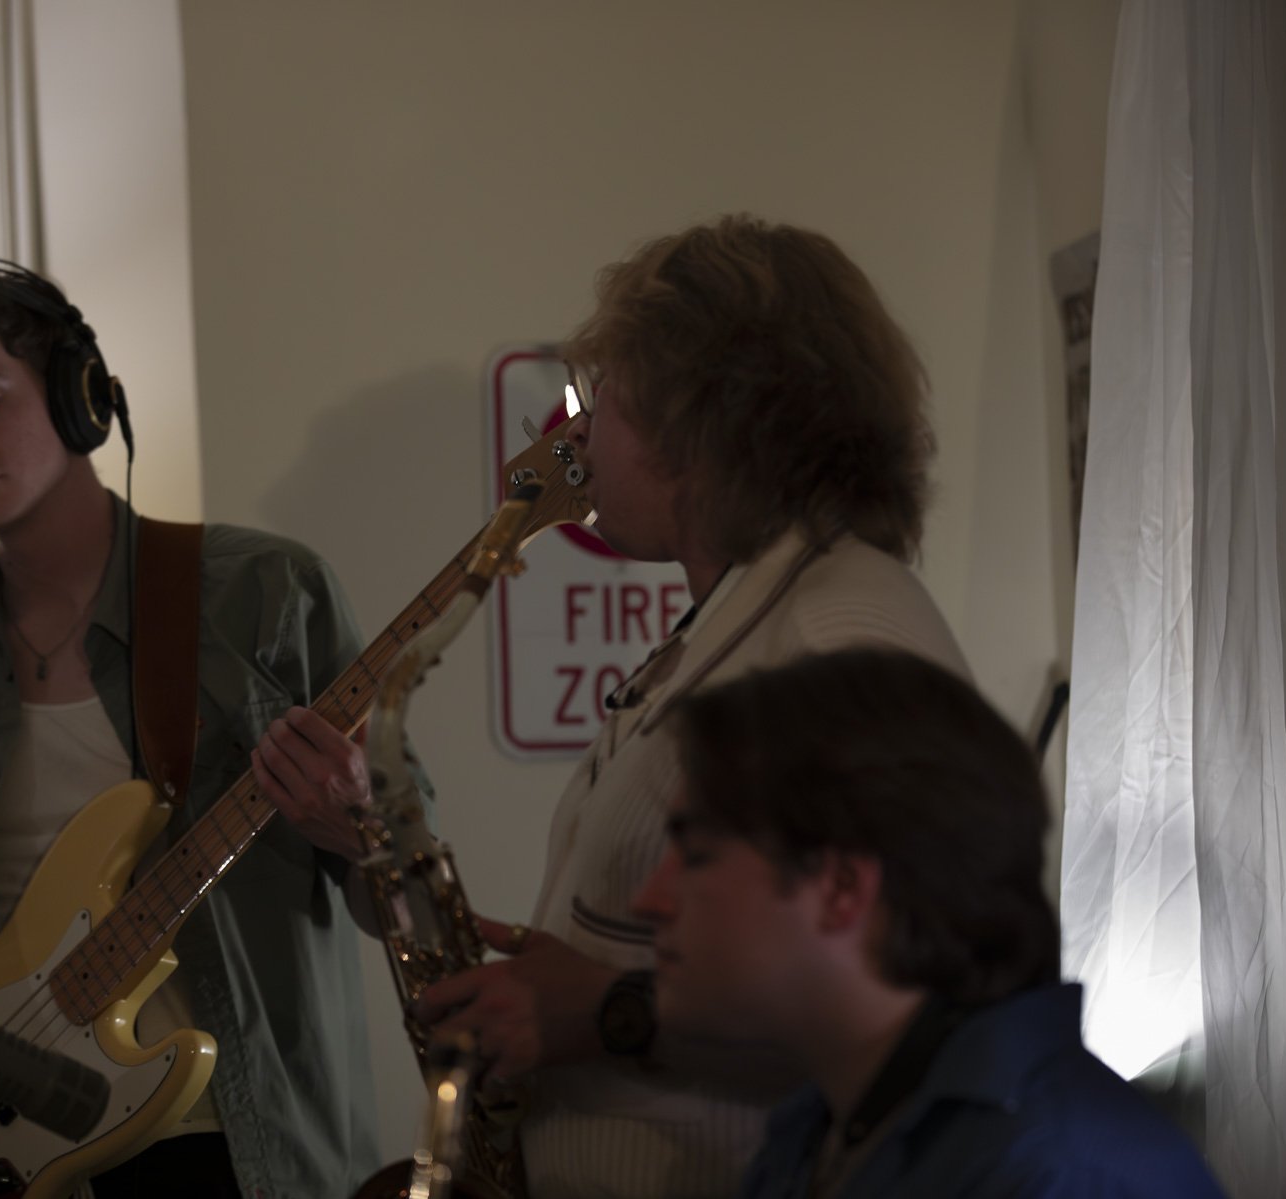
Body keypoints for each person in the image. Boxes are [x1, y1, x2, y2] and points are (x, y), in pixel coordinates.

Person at [0, 260, 383, 1197]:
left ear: (78, 393)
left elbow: (412, 904)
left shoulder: (264, 593)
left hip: (229, 1143)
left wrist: (362, 829)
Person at [414, 215, 969, 1195]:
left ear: (700, 423)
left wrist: (604, 1010)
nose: (579, 435)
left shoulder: (844, 640)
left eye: (605, 402)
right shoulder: (747, 614)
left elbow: (922, 1005)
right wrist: (571, 964)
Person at [633, 648, 1225, 1198]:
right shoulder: (817, 1129)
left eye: (696, 853)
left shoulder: (1063, 1170)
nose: (649, 900)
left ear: (842, 888)